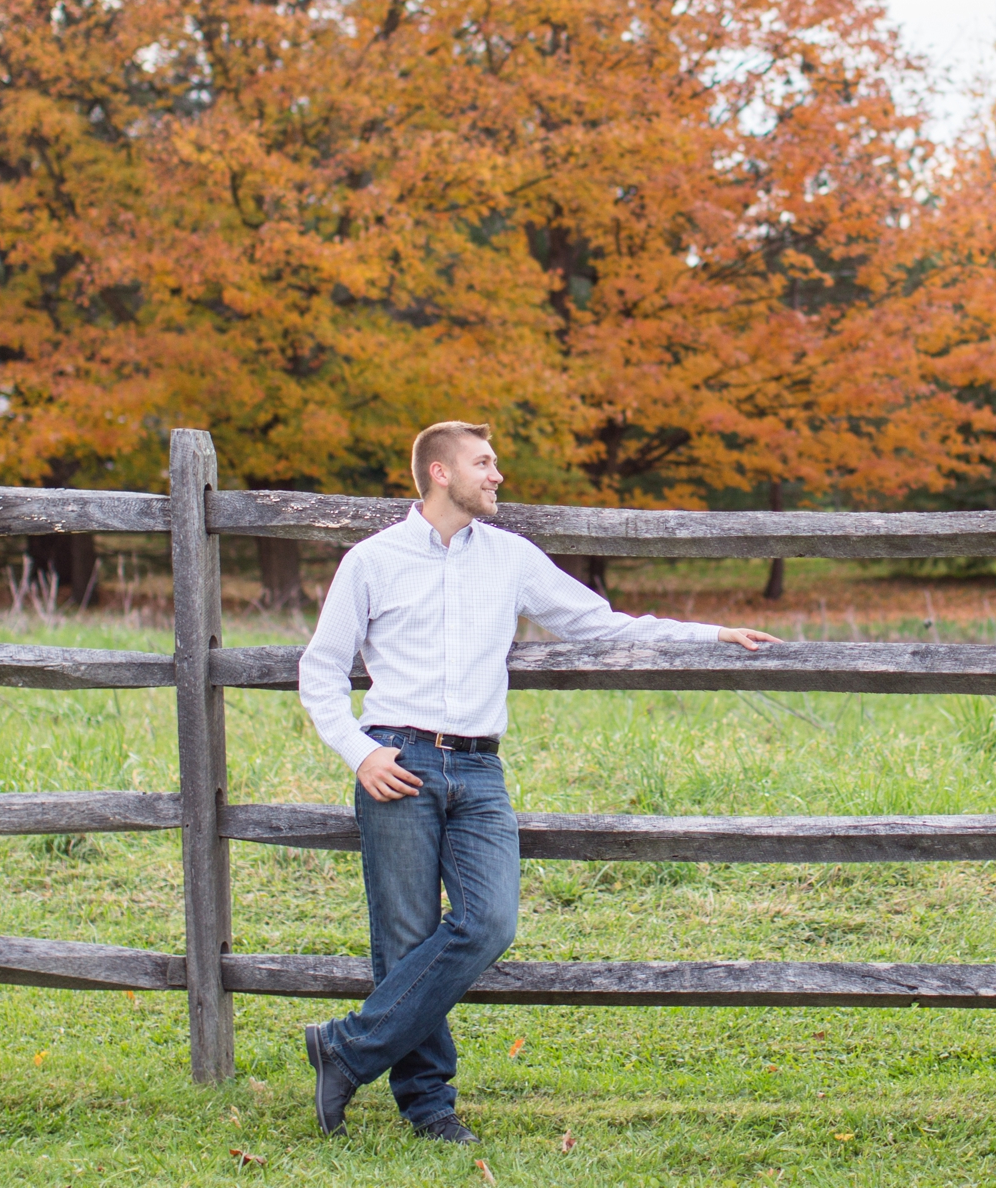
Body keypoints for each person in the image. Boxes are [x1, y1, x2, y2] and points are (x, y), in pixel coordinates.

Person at [296, 421, 780, 1144]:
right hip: (397, 759)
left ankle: (346, 1048)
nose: (496, 476)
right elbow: (321, 669)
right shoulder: (373, 561)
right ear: (438, 472)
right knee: (404, 938)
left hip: (479, 767)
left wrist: (709, 634)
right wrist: (359, 753)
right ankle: (428, 1106)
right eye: (483, 464)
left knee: (490, 921)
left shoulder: (510, 557)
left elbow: (602, 625)